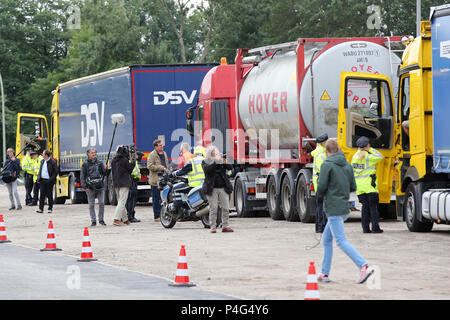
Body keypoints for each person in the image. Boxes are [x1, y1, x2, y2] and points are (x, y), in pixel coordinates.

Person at [316, 138, 374, 284]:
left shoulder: (327, 165)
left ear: (326, 151)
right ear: (339, 150)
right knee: (327, 239)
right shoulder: (347, 165)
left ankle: (363, 266)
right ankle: (324, 273)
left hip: (333, 208)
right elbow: (353, 186)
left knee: (341, 241)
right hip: (343, 207)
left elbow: (321, 187)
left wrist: (323, 192)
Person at [351, 136, 384, 233]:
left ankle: (365, 228)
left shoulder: (354, 157)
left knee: (364, 208)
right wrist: (370, 149)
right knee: (373, 208)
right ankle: (375, 227)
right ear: (366, 146)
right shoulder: (368, 157)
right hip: (370, 187)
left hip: (360, 188)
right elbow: (380, 157)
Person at [202, 145, 233, 233]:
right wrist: (215, 161)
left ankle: (225, 225)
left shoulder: (221, 161)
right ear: (210, 154)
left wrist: (224, 162)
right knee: (213, 208)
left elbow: (230, 167)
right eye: (215, 153)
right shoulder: (205, 161)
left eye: (217, 153)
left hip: (223, 187)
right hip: (211, 188)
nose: (217, 154)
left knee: (226, 208)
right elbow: (207, 170)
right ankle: (213, 226)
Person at [81, 148, 107, 227]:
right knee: (91, 204)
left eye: (94, 153)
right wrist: (85, 186)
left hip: (100, 186)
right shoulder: (85, 164)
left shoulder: (99, 163)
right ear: (88, 154)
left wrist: (106, 169)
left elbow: (104, 173)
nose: (93, 154)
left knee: (102, 203)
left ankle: (101, 220)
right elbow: (82, 176)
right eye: (92, 153)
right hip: (90, 187)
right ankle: (93, 221)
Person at [111, 145, 135, 226]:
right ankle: (116, 219)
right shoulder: (124, 160)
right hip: (124, 183)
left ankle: (125, 220)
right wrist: (133, 161)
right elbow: (131, 169)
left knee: (120, 202)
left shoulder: (113, 160)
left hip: (116, 183)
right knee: (122, 202)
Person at [147, 139, 170, 222]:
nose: (162, 146)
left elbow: (166, 164)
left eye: (162, 145)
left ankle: (163, 214)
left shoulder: (164, 153)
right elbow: (149, 166)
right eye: (160, 145)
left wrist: (168, 169)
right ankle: (156, 216)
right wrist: (160, 168)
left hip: (164, 180)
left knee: (163, 199)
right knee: (156, 199)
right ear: (156, 147)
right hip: (155, 181)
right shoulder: (152, 155)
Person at [311, 133, 328, 233]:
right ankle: (321, 227)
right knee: (322, 207)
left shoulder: (318, 153)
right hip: (322, 184)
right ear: (323, 143)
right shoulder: (321, 155)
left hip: (318, 184)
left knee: (319, 206)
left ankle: (319, 227)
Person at [126, 151, 143, 223]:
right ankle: (129, 216)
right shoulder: (129, 161)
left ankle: (131, 215)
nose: (136, 156)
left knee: (133, 200)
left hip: (134, 181)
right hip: (131, 181)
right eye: (134, 155)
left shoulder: (134, 161)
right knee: (130, 200)